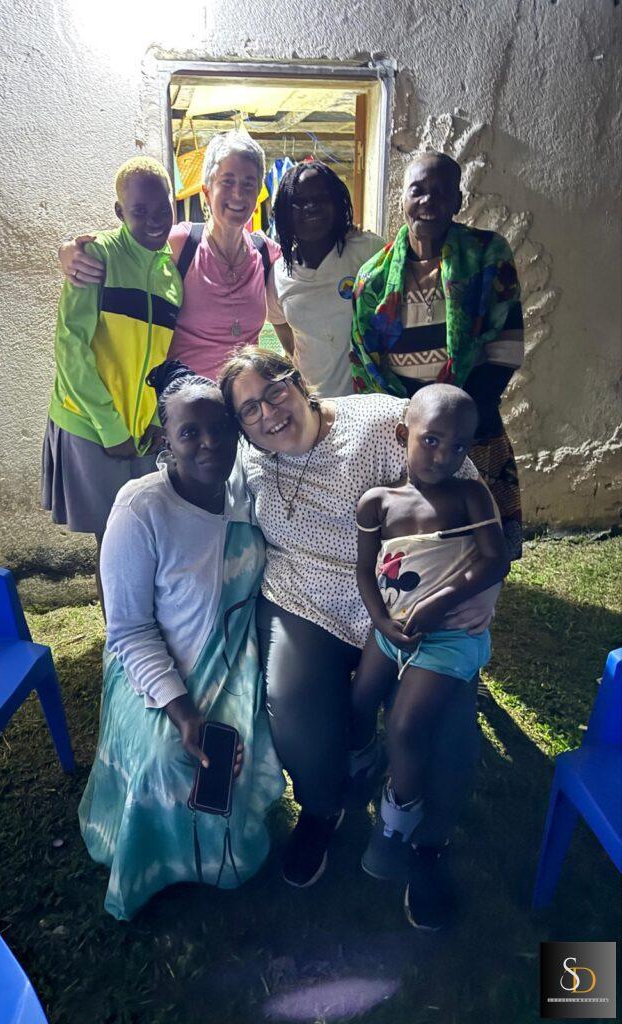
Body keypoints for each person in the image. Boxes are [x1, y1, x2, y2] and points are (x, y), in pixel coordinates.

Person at [218, 347, 486, 927]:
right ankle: (323, 808)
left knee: (447, 732)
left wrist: (478, 596)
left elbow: (467, 486)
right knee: (293, 708)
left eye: (275, 392)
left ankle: (427, 844)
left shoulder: (380, 423)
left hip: (409, 606)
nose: (268, 414)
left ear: (299, 381)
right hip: (305, 600)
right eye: (248, 410)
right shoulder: (248, 460)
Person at [79, 360, 284, 921]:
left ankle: (218, 851)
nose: (209, 442)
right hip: (157, 667)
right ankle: (152, 862)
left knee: (230, 760)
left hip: (234, 661)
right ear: (164, 439)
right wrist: (184, 712)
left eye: (220, 427)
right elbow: (129, 630)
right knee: (168, 762)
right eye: (190, 431)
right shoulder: (141, 509)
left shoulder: (248, 488)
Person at [353, 384, 509, 929]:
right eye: (432, 440)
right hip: (390, 627)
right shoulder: (377, 502)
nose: (445, 456)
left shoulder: (470, 497)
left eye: (459, 446)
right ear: (404, 435)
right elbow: (364, 570)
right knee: (360, 699)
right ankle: (361, 765)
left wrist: (438, 603)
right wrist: (380, 622)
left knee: (407, 725)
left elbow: (494, 561)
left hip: (448, 637)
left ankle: (398, 816)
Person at [351, 151, 525, 559]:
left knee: (479, 521)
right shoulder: (373, 277)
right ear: (402, 199)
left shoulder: (487, 255)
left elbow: (506, 343)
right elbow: (364, 360)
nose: (428, 201)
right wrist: (411, 423)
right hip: (403, 423)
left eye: (441, 192)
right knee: (413, 526)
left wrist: (458, 419)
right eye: (418, 190)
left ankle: (481, 585)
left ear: (457, 201)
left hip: (470, 414)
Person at [41, 156, 182, 610]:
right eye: (140, 211)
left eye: (162, 209)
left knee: (144, 532)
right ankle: (119, 638)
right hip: (91, 423)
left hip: (140, 430)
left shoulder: (170, 272)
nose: (154, 221)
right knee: (112, 541)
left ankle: (142, 625)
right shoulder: (98, 257)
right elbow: (71, 349)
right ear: (120, 212)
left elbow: (159, 359)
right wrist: (110, 427)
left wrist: (154, 419)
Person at [58, 131, 281, 381]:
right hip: (186, 399)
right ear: (207, 191)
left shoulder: (265, 252)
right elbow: (126, 245)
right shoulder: (182, 243)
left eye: (248, 184)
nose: (238, 194)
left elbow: (304, 269)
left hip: (243, 399)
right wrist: (68, 250)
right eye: (227, 182)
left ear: (258, 192)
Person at [266, 160, 384, 397]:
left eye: (321, 198)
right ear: (286, 212)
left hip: (370, 401)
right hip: (314, 405)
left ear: (337, 203)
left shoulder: (368, 250)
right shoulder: (279, 274)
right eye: (299, 202)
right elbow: (282, 328)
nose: (311, 207)